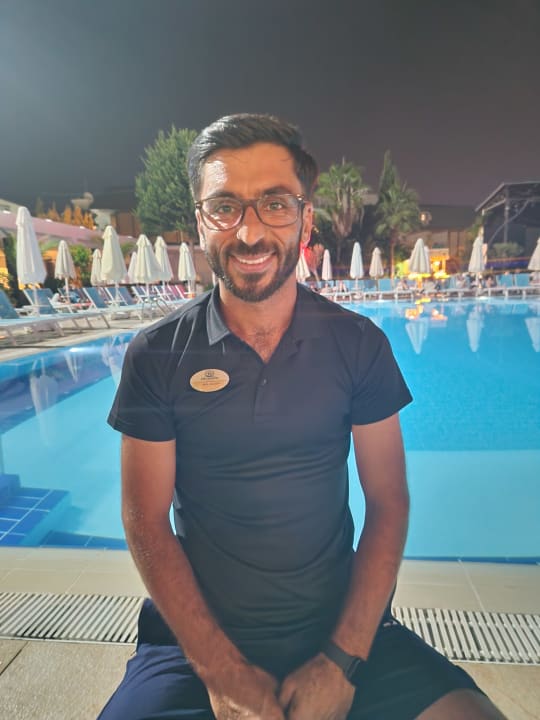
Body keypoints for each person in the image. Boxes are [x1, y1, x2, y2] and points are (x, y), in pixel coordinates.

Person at [99, 114, 506, 720]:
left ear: (305, 220)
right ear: (200, 223)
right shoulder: (157, 355)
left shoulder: (358, 344)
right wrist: (222, 669)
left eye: (275, 204)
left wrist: (342, 661)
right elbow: (145, 519)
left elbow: (388, 502)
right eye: (225, 207)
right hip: (195, 642)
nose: (250, 232)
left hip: (344, 630)